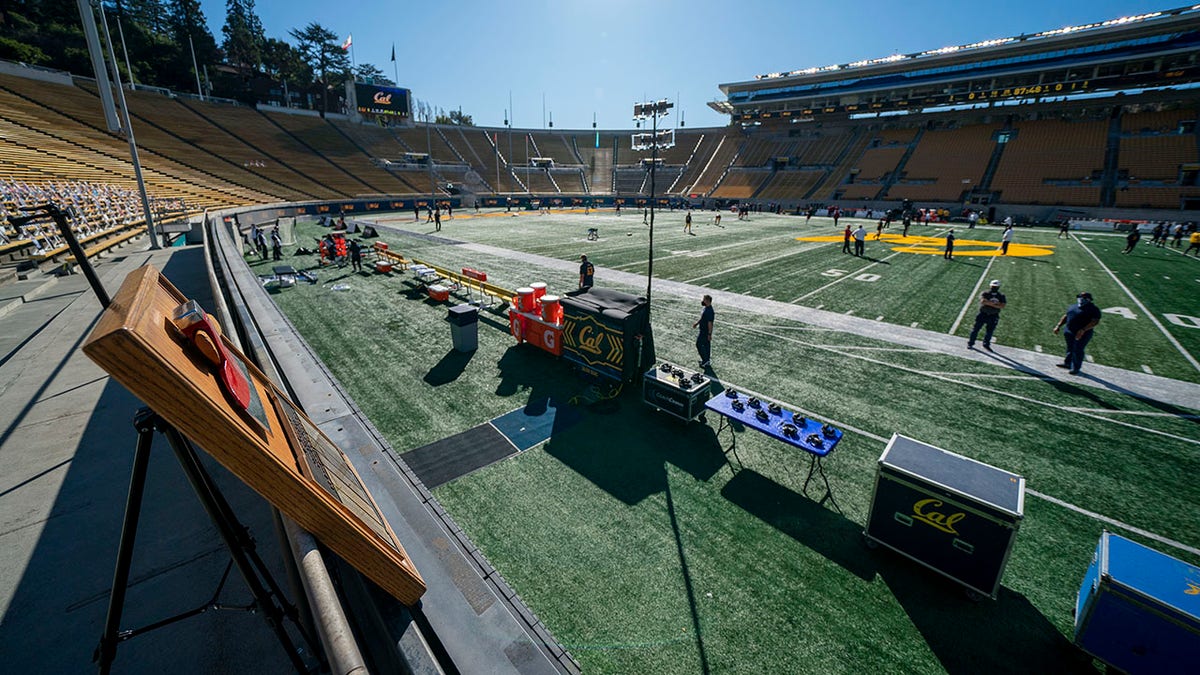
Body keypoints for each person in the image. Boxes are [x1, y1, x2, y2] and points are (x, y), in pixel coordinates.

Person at [1053, 292, 1101, 375]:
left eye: (1083, 297)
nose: (1081, 299)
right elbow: (1066, 316)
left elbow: (1095, 322)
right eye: (1080, 297)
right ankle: (1068, 363)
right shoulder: (1073, 306)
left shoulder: (1093, 309)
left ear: (1089, 299)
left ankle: (1076, 368)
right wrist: (1058, 326)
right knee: (1070, 348)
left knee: (1078, 349)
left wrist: (1083, 330)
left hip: (1082, 333)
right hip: (1069, 331)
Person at [967, 280, 1006, 351]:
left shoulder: (1001, 295)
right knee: (975, 329)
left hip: (993, 315)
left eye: (995, 287)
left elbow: (1002, 306)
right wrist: (996, 305)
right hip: (983, 314)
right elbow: (983, 301)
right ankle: (971, 343)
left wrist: (989, 303)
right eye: (993, 286)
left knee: (989, 331)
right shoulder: (985, 293)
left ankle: (986, 344)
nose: (994, 288)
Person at [693, 295, 714, 368]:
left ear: (707, 300)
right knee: (706, 346)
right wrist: (697, 323)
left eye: (704, 299)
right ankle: (707, 360)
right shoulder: (706, 308)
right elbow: (702, 318)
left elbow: (710, 323)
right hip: (703, 330)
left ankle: (705, 361)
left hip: (705, 332)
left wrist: (709, 334)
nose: (702, 301)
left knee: (698, 344)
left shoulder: (709, 311)